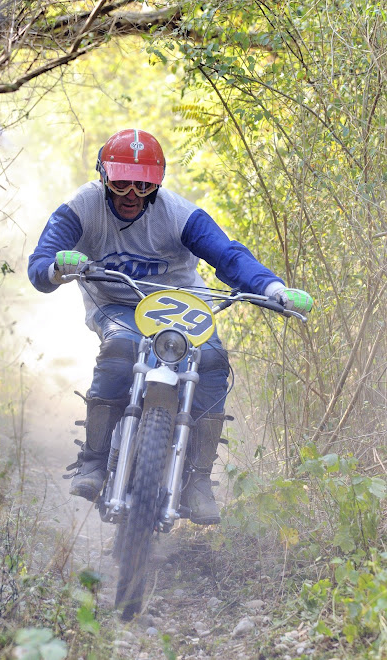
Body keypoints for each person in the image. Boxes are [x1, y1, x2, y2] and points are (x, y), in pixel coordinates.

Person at [28, 128, 313, 525]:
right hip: (117, 303)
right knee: (121, 349)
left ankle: (197, 479)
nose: (131, 193)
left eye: (143, 185)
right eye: (122, 181)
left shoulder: (179, 214)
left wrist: (273, 288)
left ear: (157, 185)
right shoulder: (82, 206)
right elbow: (40, 264)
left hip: (181, 304)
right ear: (103, 176)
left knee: (212, 358)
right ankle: (93, 461)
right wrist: (57, 266)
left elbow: (228, 256)